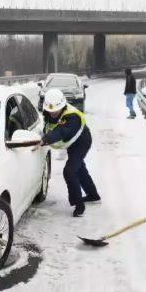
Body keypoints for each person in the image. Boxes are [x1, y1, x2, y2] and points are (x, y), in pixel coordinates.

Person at [35, 89, 100, 217]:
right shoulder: (49, 112)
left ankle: (79, 205)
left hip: (82, 142)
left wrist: (45, 140)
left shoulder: (72, 116)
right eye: (50, 111)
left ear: (62, 105)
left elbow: (61, 131)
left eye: (56, 110)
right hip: (71, 144)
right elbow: (48, 126)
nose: (53, 113)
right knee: (79, 169)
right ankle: (93, 195)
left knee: (70, 171)